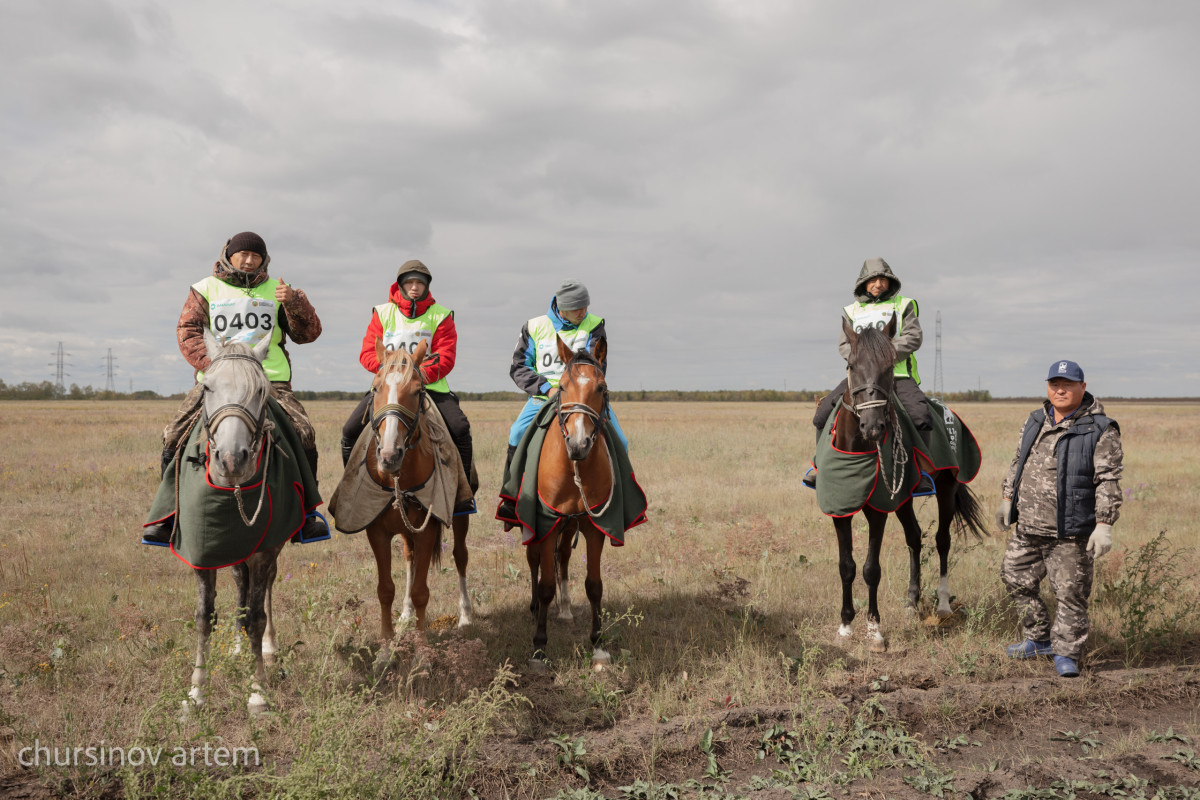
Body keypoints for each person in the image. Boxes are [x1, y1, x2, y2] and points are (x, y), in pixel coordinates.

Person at [141, 232, 326, 544]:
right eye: (243, 254)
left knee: (304, 432)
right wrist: (213, 367)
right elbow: (187, 329)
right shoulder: (204, 289)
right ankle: (168, 513)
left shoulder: (279, 290)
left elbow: (308, 334)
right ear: (228, 255)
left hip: (268, 379)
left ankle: (307, 514)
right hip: (218, 379)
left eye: (256, 255)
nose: (250, 260)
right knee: (174, 433)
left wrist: (294, 302)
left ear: (264, 260)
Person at [996, 360, 1122, 678]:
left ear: (1083, 386)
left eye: (1067, 383)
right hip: (1028, 525)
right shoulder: (1036, 419)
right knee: (1014, 577)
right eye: (1054, 383)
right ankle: (1038, 638)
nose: (1060, 389)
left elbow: (1108, 479)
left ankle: (1067, 653)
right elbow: (1018, 461)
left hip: (1070, 530)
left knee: (1070, 593)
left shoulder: (1100, 428)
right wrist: (1007, 499)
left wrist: (1104, 525)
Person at [339, 260, 474, 508]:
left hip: (427, 386)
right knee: (349, 431)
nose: (414, 287)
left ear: (427, 286)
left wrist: (416, 376)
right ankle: (354, 490)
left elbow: (446, 355)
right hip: (388, 387)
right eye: (409, 282)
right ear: (400, 285)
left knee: (460, 429)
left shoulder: (441, 315)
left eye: (419, 283)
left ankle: (461, 494)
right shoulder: (383, 313)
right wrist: (391, 373)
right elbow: (368, 351)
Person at [496, 280, 628, 520]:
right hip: (543, 397)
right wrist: (547, 388)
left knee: (621, 440)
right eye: (577, 308)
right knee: (516, 433)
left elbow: (598, 364)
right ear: (561, 307)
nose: (582, 312)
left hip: (584, 396)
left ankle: (622, 501)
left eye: (585, 306)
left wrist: (575, 387)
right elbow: (519, 367)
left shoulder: (595, 324)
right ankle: (512, 497)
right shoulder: (534, 326)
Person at [805, 257, 932, 491]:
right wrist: (863, 359)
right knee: (822, 414)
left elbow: (914, 337)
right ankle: (818, 467)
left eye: (883, 279)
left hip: (897, 376)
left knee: (920, 415)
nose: (878, 284)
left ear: (890, 282)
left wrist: (883, 354)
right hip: (860, 378)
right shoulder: (851, 311)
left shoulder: (904, 305)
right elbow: (844, 344)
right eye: (873, 280)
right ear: (863, 284)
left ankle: (923, 473)